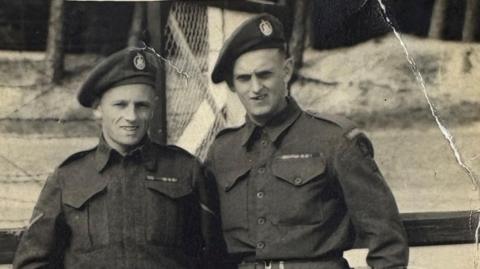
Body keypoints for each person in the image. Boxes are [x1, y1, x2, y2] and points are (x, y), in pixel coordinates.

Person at [206, 13, 409, 269]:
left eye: (265, 74)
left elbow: (386, 238)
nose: (255, 88)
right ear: (233, 85)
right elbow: (206, 242)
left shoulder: (335, 141)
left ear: (287, 70)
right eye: (244, 79)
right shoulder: (222, 152)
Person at [13, 46, 223, 269]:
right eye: (120, 105)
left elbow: (214, 257)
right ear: (97, 108)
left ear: (153, 108)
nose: (131, 117)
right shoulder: (68, 178)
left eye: (141, 105)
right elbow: (31, 263)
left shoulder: (185, 171)